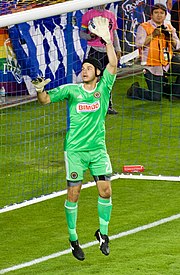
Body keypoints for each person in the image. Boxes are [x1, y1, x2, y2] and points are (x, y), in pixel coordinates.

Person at [32, 17, 117, 261]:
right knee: (74, 195)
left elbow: (113, 63)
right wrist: (39, 90)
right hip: (75, 151)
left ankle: (103, 234)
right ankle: (73, 239)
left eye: (89, 68)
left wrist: (108, 41)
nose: (84, 70)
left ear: (98, 73)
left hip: (98, 149)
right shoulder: (72, 90)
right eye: (83, 68)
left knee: (106, 191)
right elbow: (46, 100)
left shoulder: (104, 88)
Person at [127, 3, 180, 101]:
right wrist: (153, 35)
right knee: (155, 97)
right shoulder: (144, 27)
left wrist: (170, 38)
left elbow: (177, 45)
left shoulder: (169, 27)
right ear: (151, 15)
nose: (159, 15)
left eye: (161, 13)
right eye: (156, 12)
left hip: (167, 61)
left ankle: (176, 94)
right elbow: (139, 44)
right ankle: (135, 91)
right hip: (152, 65)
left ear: (165, 15)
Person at [80, 5, 121, 114]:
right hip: (94, 51)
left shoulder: (110, 15)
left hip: (108, 50)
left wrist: (118, 49)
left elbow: (114, 33)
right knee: (92, 80)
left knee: (108, 79)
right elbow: (82, 33)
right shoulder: (87, 15)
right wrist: (91, 36)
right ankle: (90, 105)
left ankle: (108, 106)